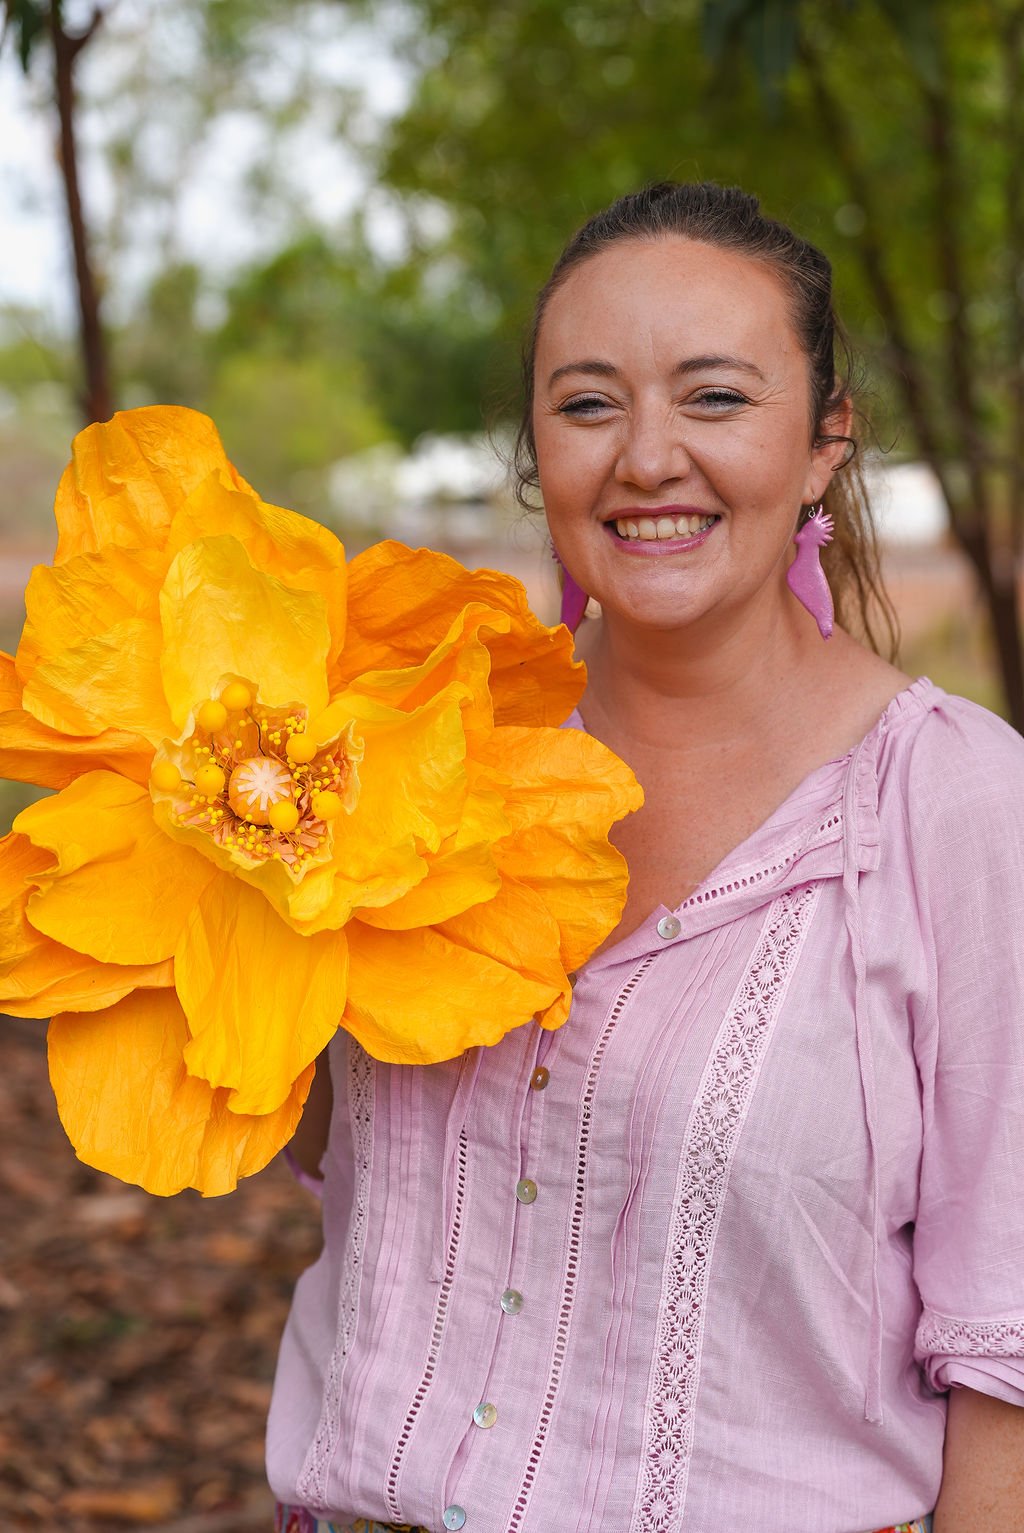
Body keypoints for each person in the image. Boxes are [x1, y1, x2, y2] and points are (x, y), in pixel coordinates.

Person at [267, 182, 1024, 1532]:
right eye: (590, 402)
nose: (647, 457)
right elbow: (341, 1144)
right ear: (536, 446)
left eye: (717, 398)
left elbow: (1007, 1348)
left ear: (823, 444)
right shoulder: (424, 740)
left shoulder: (955, 805)